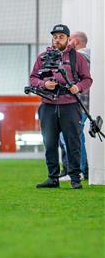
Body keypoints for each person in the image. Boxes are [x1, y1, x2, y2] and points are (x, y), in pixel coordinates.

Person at [30, 24, 92, 189]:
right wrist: (44, 84)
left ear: (67, 39)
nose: (57, 40)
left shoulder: (76, 58)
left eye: (61, 37)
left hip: (70, 106)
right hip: (48, 106)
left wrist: (78, 87)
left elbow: (87, 79)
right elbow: (33, 78)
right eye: (55, 37)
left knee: (73, 143)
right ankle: (53, 178)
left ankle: (75, 179)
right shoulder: (43, 57)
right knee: (49, 142)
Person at [58, 31, 90, 182]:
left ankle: (79, 171)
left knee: (73, 139)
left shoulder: (80, 57)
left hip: (78, 104)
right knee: (75, 138)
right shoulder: (86, 57)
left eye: (69, 40)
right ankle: (81, 169)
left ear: (75, 42)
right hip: (81, 103)